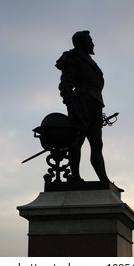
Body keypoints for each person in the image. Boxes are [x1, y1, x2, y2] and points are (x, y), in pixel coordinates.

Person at [55, 30, 110, 183]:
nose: (93, 44)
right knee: (77, 141)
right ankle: (75, 177)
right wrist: (72, 106)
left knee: (97, 145)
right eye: (90, 41)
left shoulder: (89, 61)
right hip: (82, 103)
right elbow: (65, 85)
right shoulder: (74, 59)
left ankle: (104, 180)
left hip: (96, 104)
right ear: (81, 44)